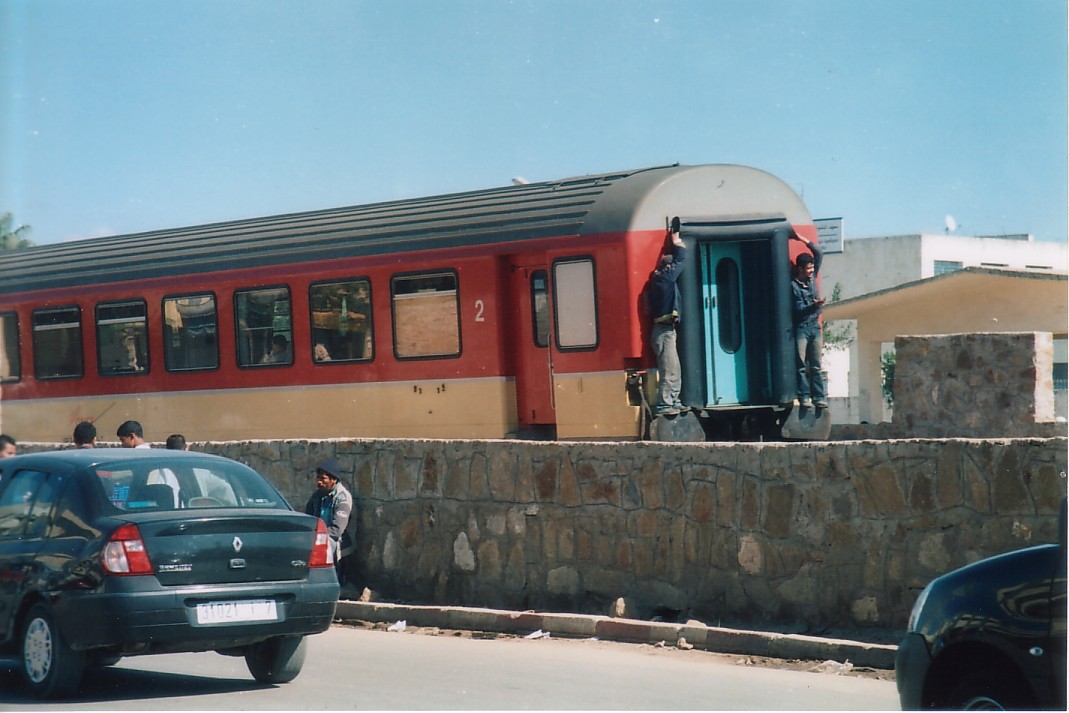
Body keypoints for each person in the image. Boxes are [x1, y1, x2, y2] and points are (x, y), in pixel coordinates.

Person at [647, 218, 687, 416]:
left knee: (674, 369)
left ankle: (673, 401)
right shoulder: (664, 280)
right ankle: (665, 404)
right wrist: (676, 239)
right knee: (670, 370)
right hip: (664, 332)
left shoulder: (660, 280)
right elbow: (681, 257)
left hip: (666, 331)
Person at [790, 233, 827, 409]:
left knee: (817, 365)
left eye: (812, 268)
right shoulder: (793, 286)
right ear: (800, 269)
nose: (812, 272)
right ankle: (804, 396)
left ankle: (819, 397)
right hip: (802, 328)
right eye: (808, 269)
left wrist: (800, 239)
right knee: (801, 364)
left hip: (815, 327)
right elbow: (798, 310)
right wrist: (815, 306)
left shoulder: (812, 280)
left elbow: (818, 252)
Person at [305, 459, 354, 578]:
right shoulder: (317, 496)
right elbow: (308, 519)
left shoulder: (342, 498)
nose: (319, 482)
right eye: (318, 478)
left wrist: (317, 538)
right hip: (318, 537)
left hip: (338, 544)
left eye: (323, 479)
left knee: (324, 545)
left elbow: (336, 531)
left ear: (334, 480)